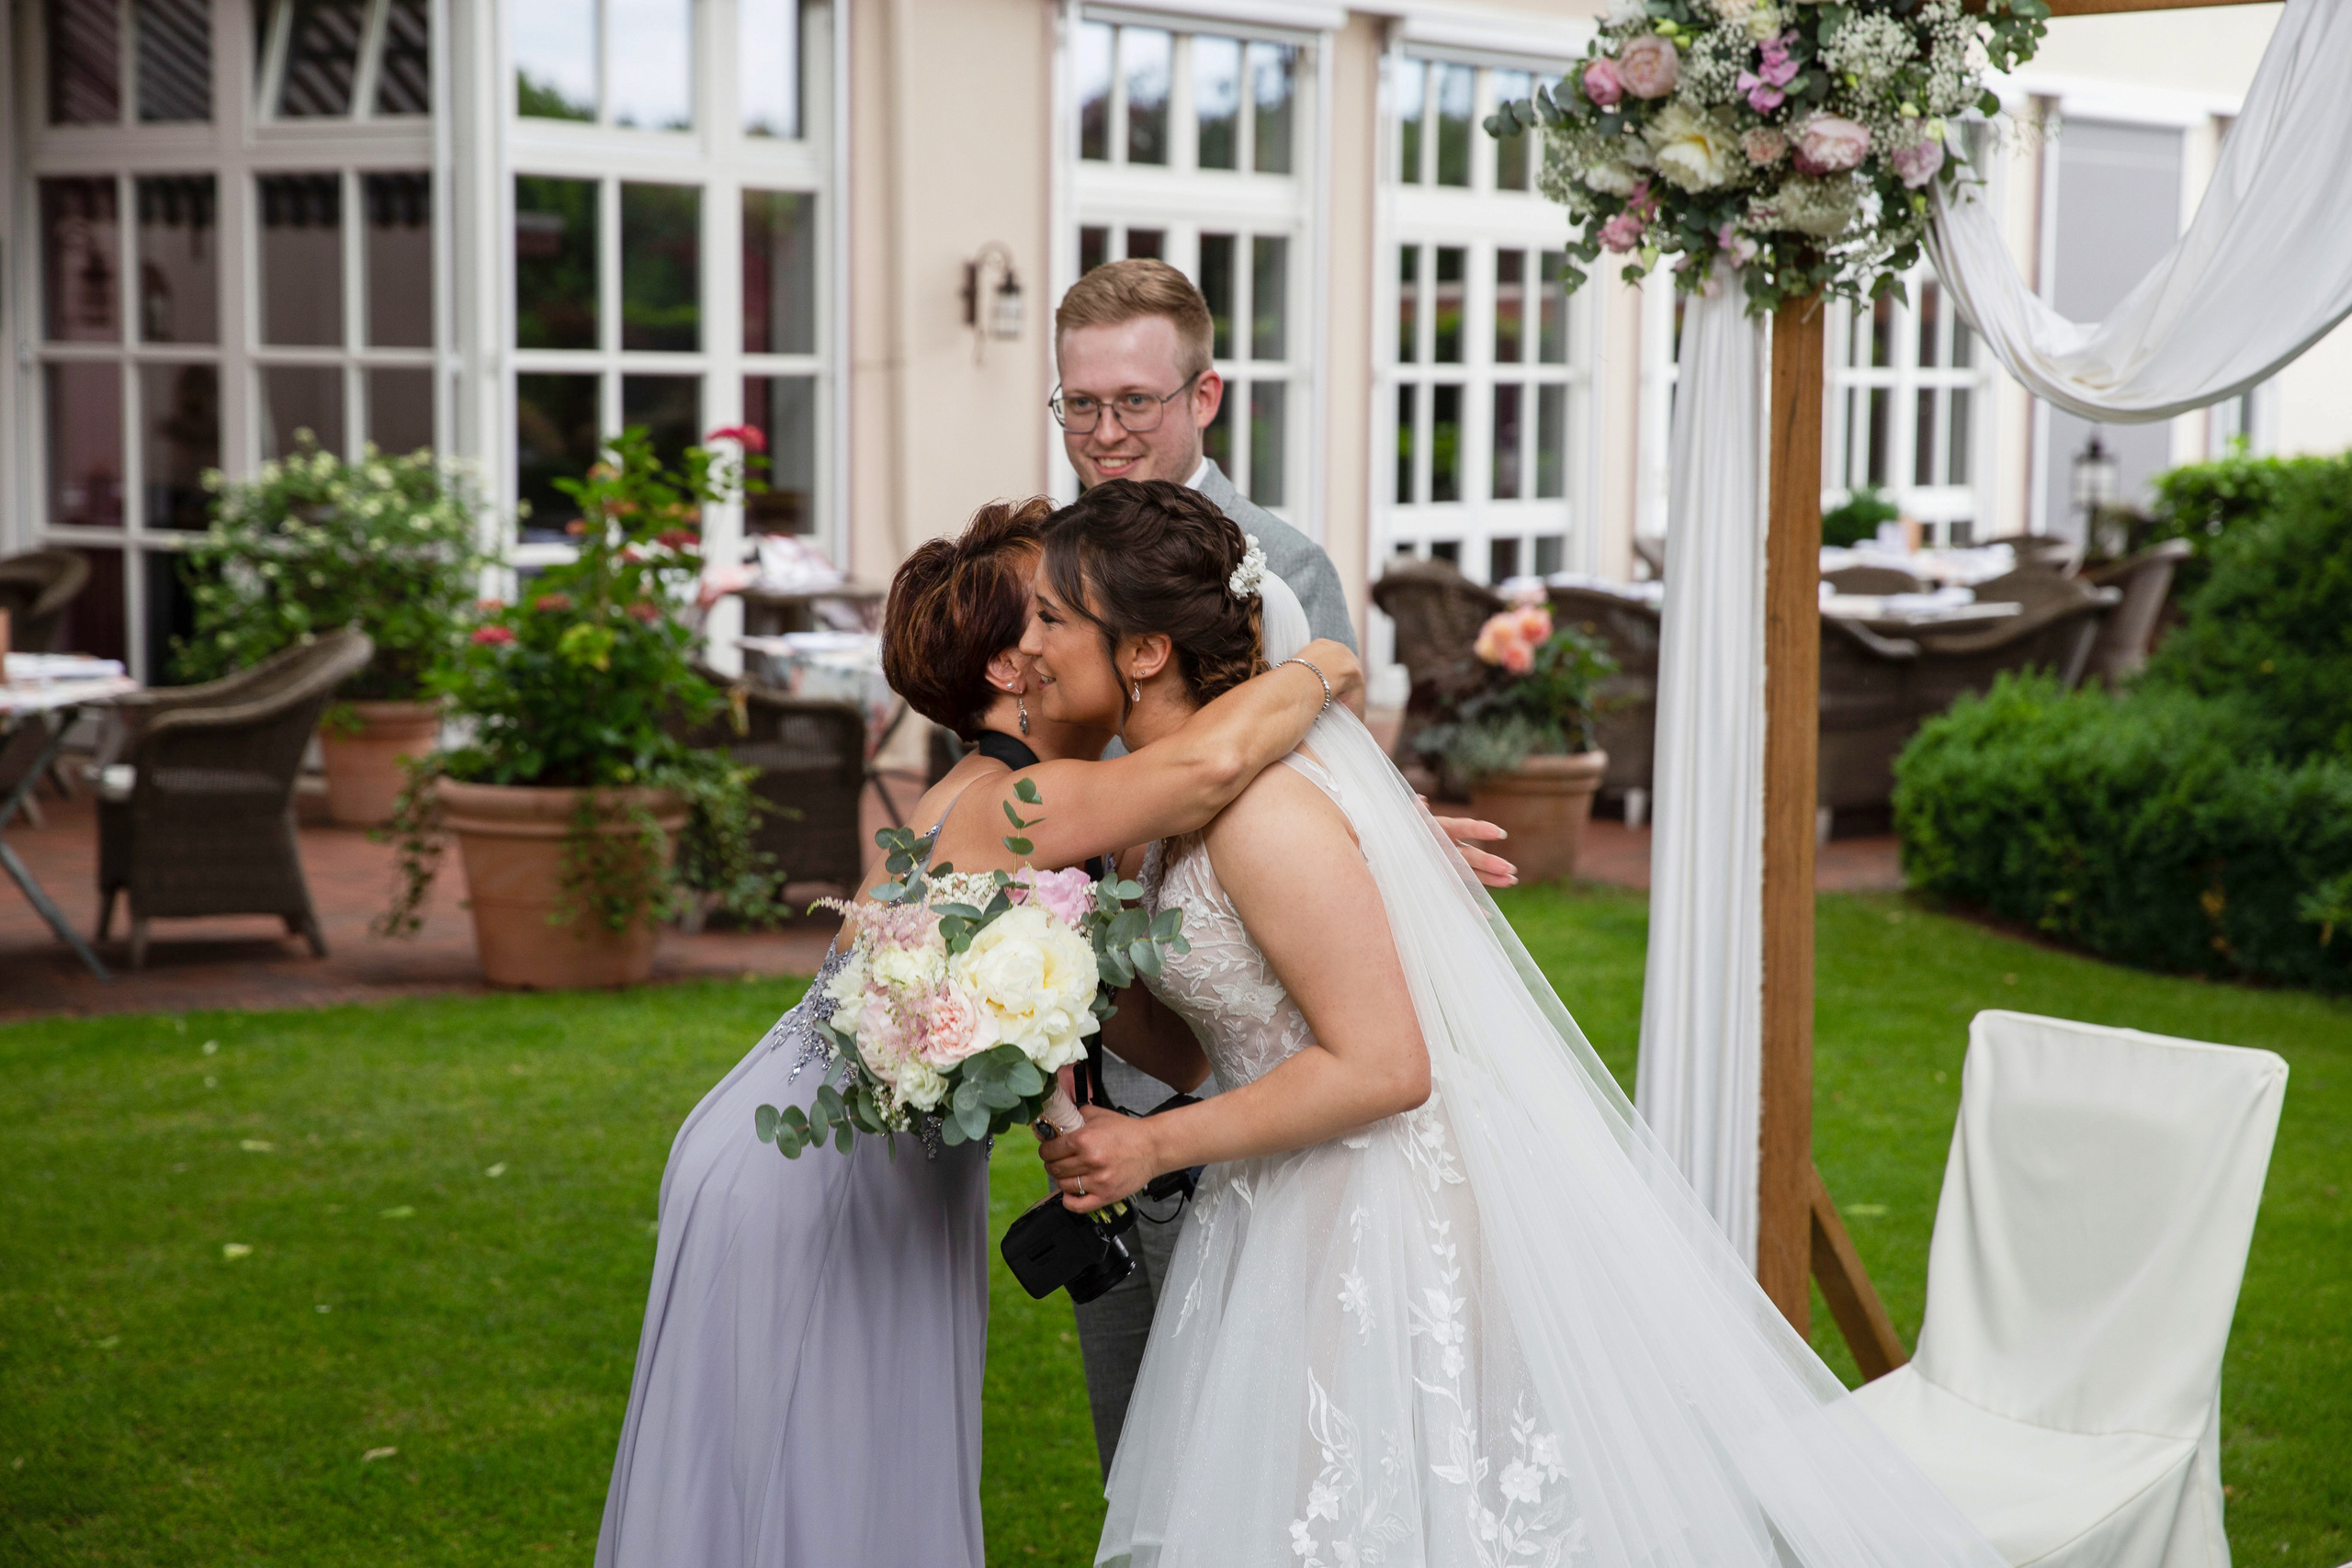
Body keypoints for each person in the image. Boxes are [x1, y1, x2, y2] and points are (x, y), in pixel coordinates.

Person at [1032, 479, 2013, 1568]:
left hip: (1380, 1198)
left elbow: (1388, 1066)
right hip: (1277, 1193)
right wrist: (1031, 995)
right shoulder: (1157, 823)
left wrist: (1153, 1143)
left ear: (1144, 651)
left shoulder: (1264, 817)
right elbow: (1197, 1042)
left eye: (1049, 618)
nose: (1025, 646)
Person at [594, 497, 1364, 1568]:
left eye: (1066, 611)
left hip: (880, 1178)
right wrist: (1324, 663)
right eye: (1043, 611)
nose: (1057, 628)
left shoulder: (1056, 813)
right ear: (1012, 668)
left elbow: (1168, 1047)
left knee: (851, 1482)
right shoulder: (1004, 802)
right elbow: (1202, 769)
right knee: (799, 1483)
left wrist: (1360, 852)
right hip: (808, 1174)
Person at [1053, 260, 1517, 1471]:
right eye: (1079, 406)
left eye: (1133, 403)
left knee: (1279, 1432)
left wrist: (1385, 830)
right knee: (1151, 1426)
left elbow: (1307, 784)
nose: (1104, 433)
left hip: (1250, 1046)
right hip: (1121, 1016)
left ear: (1203, 396)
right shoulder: (1053, 560)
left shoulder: (1277, 568)